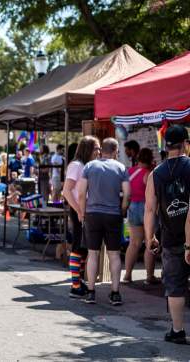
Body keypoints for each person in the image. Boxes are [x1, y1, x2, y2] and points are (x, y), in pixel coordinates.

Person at [146, 125, 190, 344]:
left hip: (170, 238)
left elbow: (149, 210)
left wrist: (149, 237)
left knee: (175, 285)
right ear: (186, 144)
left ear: (167, 145)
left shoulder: (156, 174)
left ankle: (178, 330)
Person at [78, 138, 130, 305]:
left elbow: (81, 193)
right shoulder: (121, 168)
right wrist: (122, 209)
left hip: (93, 214)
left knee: (93, 254)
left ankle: (91, 292)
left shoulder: (89, 166)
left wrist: (82, 212)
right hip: (113, 215)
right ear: (115, 151)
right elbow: (127, 194)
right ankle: (115, 293)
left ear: (101, 151)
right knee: (114, 255)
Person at [62, 136, 100, 298]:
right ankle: (75, 285)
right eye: (96, 148)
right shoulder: (76, 165)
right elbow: (67, 191)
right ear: (88, 149)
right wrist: (78, 210)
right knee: (78, 247)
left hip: (85, 211)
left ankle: (79, 282)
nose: (98, 151)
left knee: (83, 248)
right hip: (79, 211)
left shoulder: (85, 165)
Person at [123, 148, 158, 284]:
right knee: (150, 241)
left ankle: (127, 275)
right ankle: (149, 277)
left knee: (134, 243)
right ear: (150, 159)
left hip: (132, 207)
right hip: (146, 208)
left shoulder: (130, 171)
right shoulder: (149, 174)